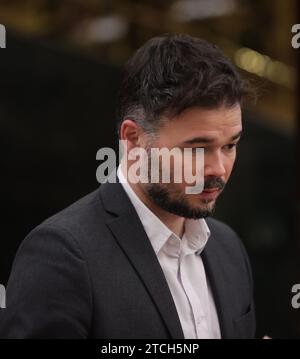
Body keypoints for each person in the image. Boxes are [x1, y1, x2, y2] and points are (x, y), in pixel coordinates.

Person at [0, 33, 255, 339]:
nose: (218, 169)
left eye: (230, 146)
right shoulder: (63, 255)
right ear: (133, 139)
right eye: (196, 149)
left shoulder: (228, 248)